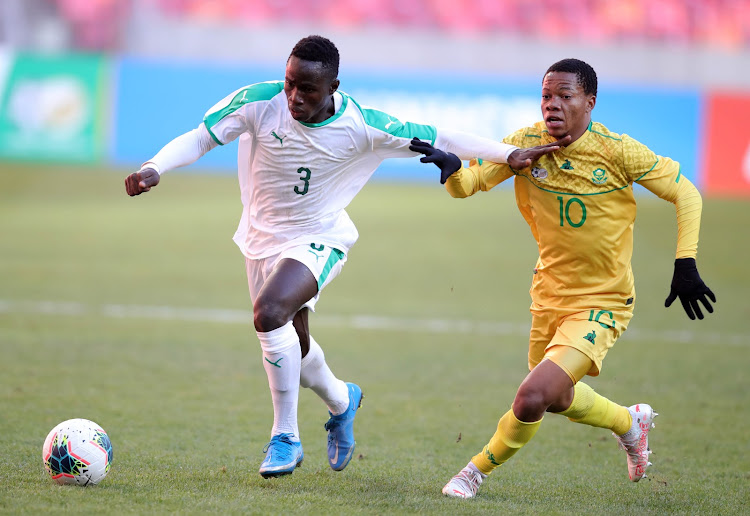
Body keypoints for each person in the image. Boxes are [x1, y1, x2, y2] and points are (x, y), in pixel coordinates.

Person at [124, 35, 564, 479]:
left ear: (333, 85)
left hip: (320, 237)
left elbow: (441, 135)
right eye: (290, 83)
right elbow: (200, 138)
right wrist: (153, 167)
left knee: (269, 313)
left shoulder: (364, 125)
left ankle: (285, 437)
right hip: (259, 238)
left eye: (308, 89)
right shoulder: (258, 102)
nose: (294, 96)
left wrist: (509, 154)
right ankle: (341, 400)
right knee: (292, 347)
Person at [409, 58, 716, 498]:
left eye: (564, 96)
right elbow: (469, 184)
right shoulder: (525, 144)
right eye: (546, 96)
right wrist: (453, 169)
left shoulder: (617, 150)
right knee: (555, 397)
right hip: (548, 295)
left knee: (532, 396)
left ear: (588, 102)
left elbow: (685, 192)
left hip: (604, 301)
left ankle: (472, 473)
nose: (552, 106)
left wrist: (685, 262)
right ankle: (630, 423)